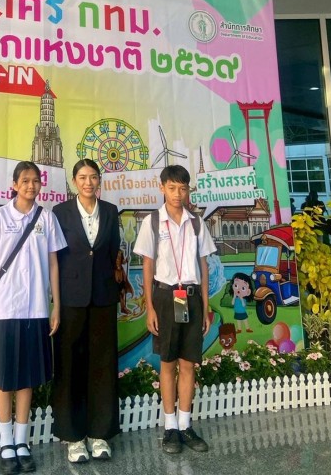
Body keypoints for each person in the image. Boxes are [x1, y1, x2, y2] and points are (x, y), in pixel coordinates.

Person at [0, 161, 66, 475]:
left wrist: (56, 305)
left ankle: (22, 442)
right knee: (3, 378)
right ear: (14, 185)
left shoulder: (47, 218)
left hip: (36, 309)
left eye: (35, 181)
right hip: (5, 309)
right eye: (24, 180)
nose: (30, 186)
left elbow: (53, 263)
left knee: (26, 378)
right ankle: (6, 443)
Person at [134, 165, 216, 455]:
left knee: (188, 364)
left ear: (188, 190)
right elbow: (147, 266)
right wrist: (150, 308)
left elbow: (203, 266)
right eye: (172, 188)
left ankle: (185, 425)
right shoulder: (153, 222)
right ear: (162, 188)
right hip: (166, 297)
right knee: (168, 363)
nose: (178, 194)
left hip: (190, 298)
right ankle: (170, 428)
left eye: (183, 188)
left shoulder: (197, 223)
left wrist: (205, 305)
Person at [52, 159, 120, 463]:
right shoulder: (60, 212)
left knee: (102, 365)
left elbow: (112, 251)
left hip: (103, 297)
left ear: (99, 180)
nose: (88, 182)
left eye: (93, 177)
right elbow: (56, 257)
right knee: (70, 366)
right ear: (74, 181)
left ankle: (99, 434)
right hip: (71, 299)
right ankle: (73, 437)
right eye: (82, 177)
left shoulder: (110, 211)